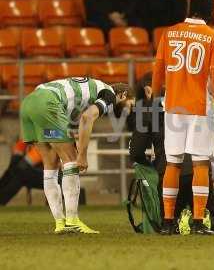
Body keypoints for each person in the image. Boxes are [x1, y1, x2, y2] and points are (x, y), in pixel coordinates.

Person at [152, 0, 214, 235]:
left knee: (172, 163)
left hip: (172, 105)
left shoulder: (169, 32)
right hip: (198, 106)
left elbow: (158, 69)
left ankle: (168, 222)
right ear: (211, 11)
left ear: (190, 8)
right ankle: (197, 222)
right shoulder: (213, 36)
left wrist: (154, 96)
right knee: (200, 163)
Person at [20, 77, 134, 234]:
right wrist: (82, 155)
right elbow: (87, 118)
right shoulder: (109, 95)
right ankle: (72, 221)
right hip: (48, 103)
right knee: (72, 161)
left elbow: (76, 121)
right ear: (123, 95)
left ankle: (60, 223)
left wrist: (79, 144)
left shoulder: (91, 91)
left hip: (29, 103)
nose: (129, 110)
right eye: (130, 104)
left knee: (50, 163)